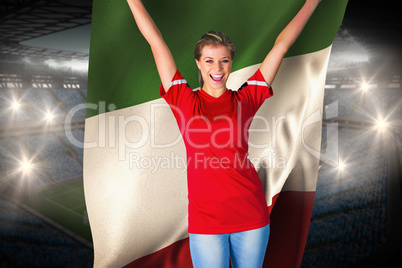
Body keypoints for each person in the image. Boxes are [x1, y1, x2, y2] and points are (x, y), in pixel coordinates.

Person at [127, 0, 321, 267]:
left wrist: (311, 3)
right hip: (205, 222)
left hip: (251, 216)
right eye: (209, 61)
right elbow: (155, 41)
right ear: (198, 63)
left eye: (223, 61)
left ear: (231, 63)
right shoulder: (183, 99)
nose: (217, 69)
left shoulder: (247, 98)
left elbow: (281, 45)